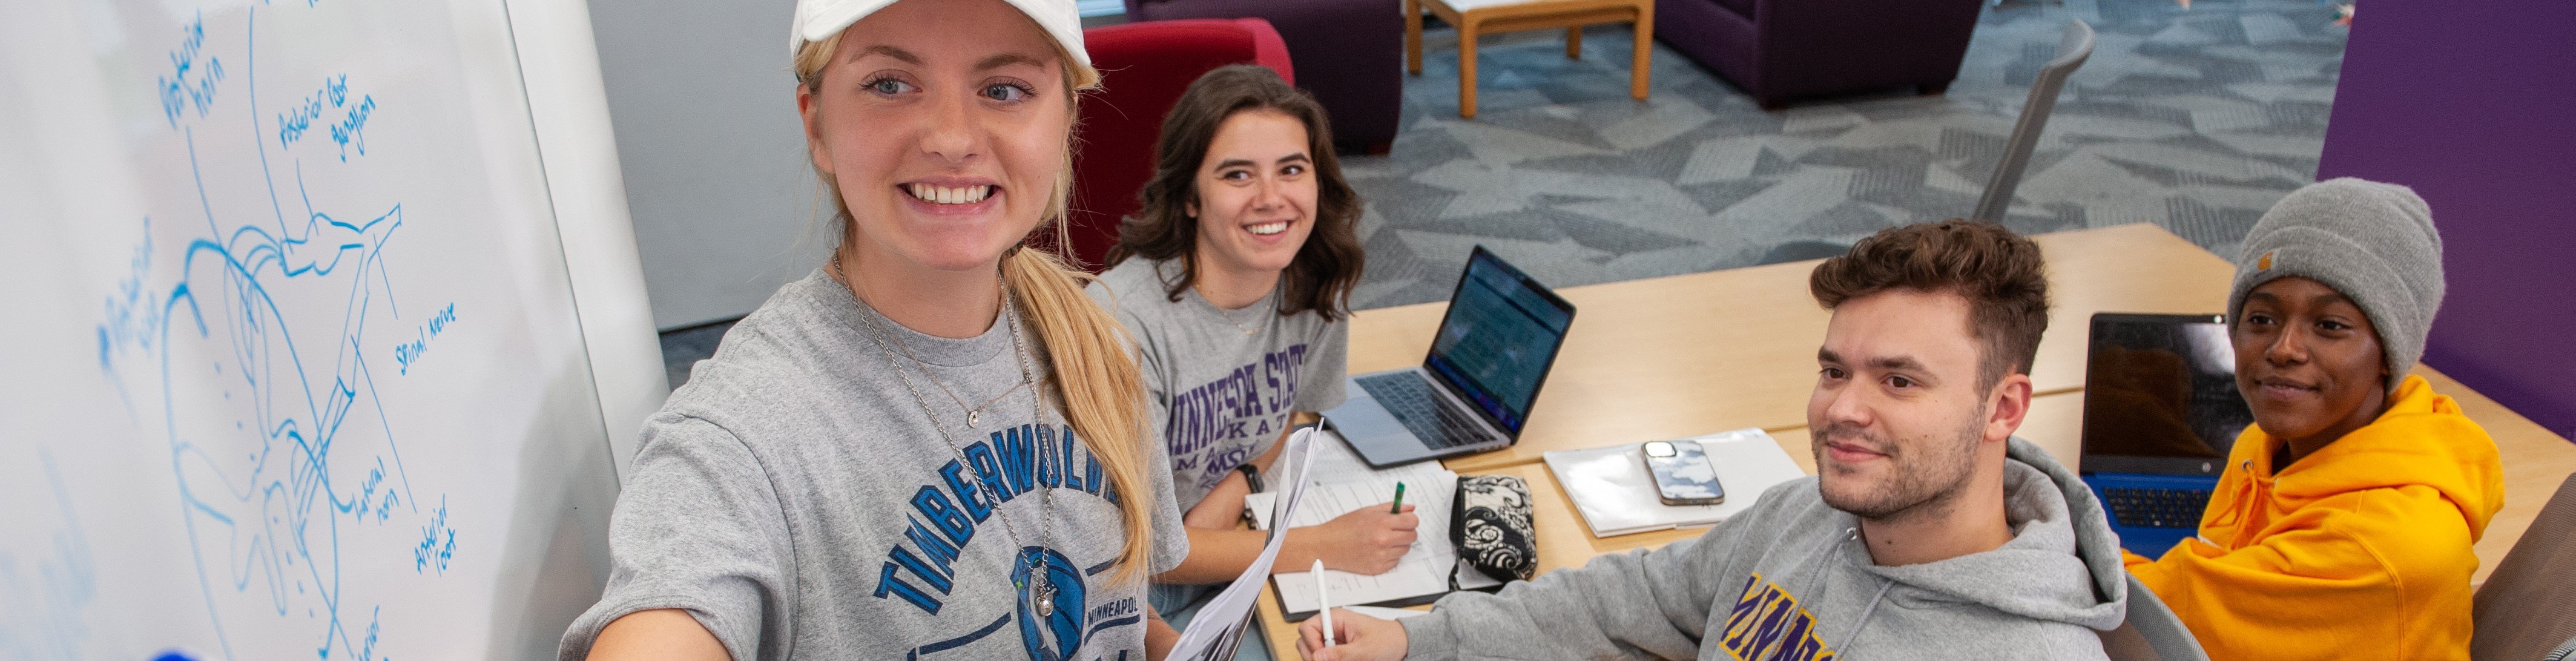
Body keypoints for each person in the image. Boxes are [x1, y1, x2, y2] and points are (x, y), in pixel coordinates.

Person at [557, 1, 1191, 659]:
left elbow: (1117, 613)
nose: (952, 137)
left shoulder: (1095, 343)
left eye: (1004, 90)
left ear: (1064, 124)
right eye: (890, 84)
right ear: (817, 127)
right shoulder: (744, 434)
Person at [1301, 220, 2133, 660]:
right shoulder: (1808, 512)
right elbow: (1638, 598)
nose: (1842, 410)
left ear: (2003, 407)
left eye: (1899, 380)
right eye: (1833, 370)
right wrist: (1420, 636)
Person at [1083, 65, 1400, 649]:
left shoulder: (1312, 279)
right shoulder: (1121, 326)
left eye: (1291, 170)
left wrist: (1239, 481)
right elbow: (1138, 552)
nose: (1271, 199)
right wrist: (1319, 545)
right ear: (1189, 199)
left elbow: (1292, 412)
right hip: (1122, 591)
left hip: (1234, 543)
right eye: (1237, 175)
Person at [2123, 178, 2503, 660]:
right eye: (2261, 319)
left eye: (2329, 326)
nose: (2283, 349)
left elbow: (2153, 626)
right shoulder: (2267, 442)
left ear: (2389, 353)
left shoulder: (2378, 544)